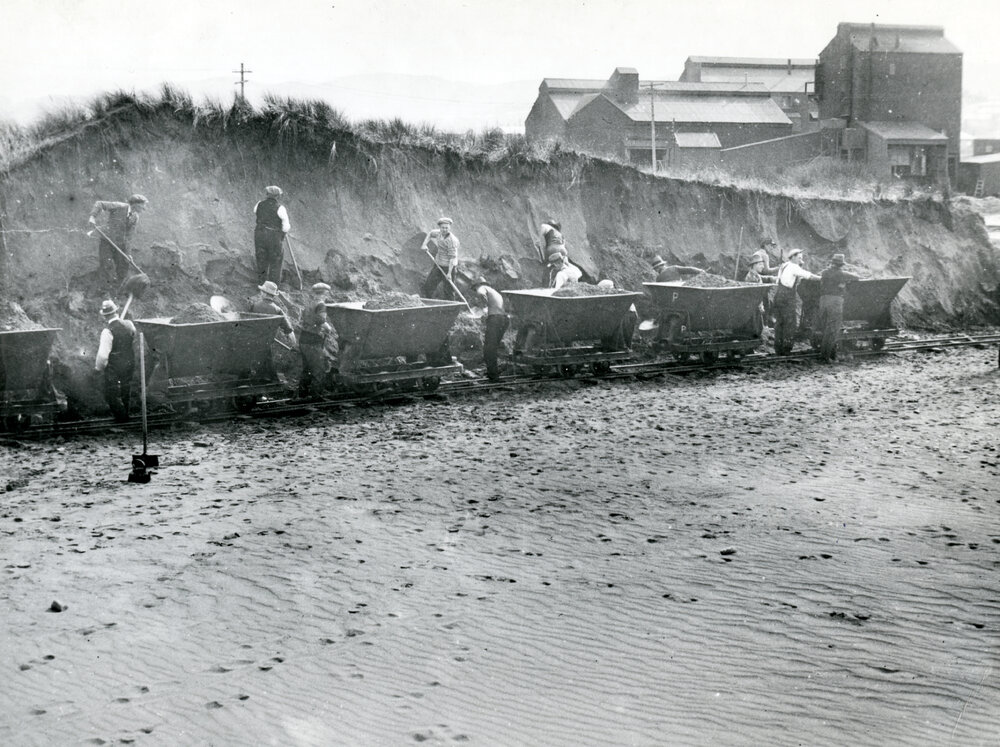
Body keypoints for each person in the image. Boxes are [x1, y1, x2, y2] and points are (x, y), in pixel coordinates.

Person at [88, 194, 148, 288]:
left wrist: (128, 254)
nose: (144, 208)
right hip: (107, 241)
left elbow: (129, 236)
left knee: (124, 266)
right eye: (143, 205)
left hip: (120, 245)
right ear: (136, 204)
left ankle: (116, 290)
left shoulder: (135, 217)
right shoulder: (119, 206)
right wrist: (92, 217)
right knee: (106, 265)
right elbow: (100, 204)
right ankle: (104, 291)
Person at [94, 299, 136, 422]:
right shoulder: (129, 324)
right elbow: (133, 334)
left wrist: (98, 368)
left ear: (105, 316)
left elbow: (103, 355)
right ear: (116, 311)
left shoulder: (107, 331)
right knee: (125, 389)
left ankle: (121, 417)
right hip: (129, 363)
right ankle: (126, 414)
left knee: (110, 392)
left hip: (114, 366)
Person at [772, 248, 820, 356]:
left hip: (778, 296)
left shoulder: (784, 265)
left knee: (779, 323)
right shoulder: (794, 267)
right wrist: (822, 278)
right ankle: (786, 349)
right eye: (799, 258)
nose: (800, 260)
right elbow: (809, 275)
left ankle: (778, 348)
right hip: (787, 297)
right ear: (793, 257)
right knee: (790, 323)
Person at [817, 254, 861, 362]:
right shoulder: (842, 274)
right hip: (835, 302)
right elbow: (857, 277)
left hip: (823, 301)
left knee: (825, 328)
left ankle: (828, 354)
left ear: (832, 263)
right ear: (841, 265)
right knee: (832, 330)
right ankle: (825, 357)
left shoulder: (824, 272)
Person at [470, 277, 509, 381]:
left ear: (477, 285)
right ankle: (493, 372)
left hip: (495, 320)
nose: (475, 291)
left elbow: (481, 293)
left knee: (489, 349)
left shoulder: (482, 288)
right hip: (503, 320)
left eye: (474, 289)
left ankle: (493, 376)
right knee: (493, 348)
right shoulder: (495, 292)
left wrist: (484, 308)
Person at [297, 282, 332, 398]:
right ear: (324, 293)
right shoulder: (321, 305)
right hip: (313, 341)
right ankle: (317, 396)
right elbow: (321, 320)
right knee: (319, 369)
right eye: (327, 293)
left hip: (303, 339)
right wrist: (328, 328)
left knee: (307, 369)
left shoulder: (309, 303)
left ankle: (302, 394)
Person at [254, 186, 290, 286]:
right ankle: (273, 288)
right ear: (278, 196)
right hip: (273, 236)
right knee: (276, 261)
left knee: (261, 260)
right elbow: (286, 227)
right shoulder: (280, 208)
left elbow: (256, 212)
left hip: (259, 235)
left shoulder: (258, 204)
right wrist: (282, 233)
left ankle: (261, 285)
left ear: (267, 194)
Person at [420, 217, 460, 299]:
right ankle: (429, 303)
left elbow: (452, 258)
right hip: (438, 264)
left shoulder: (452, 241)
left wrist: (449, 273)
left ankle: (450, 309)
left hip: (449, 267)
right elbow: (430, 233)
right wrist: (424, 244)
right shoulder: (438, 233)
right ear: (440, 228)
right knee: (429, 285)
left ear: (450, 228)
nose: (445, 230)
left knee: (449, 290)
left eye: (447, 228)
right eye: (443, 227)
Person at [249, 280, 297, 347]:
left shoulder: (254, 306)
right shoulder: (278, 310)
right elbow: (289, 330)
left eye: (261, 291)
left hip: (252, 343)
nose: (260, 293)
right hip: (267, 345)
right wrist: (293, 345)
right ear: (273, 295)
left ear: (264, 293)